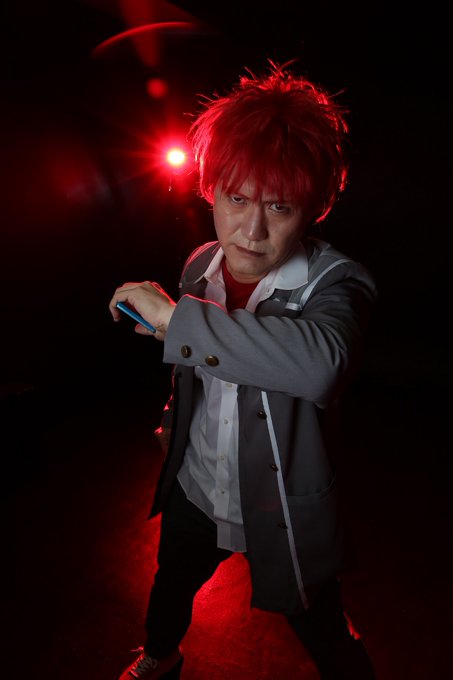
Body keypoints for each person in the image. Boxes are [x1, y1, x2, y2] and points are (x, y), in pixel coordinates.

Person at [109, 60, 378, 680]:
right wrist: (172, 419)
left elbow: (322, 364)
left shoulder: (337, 282)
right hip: (198, 487)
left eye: (279, 207)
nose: (252, 231)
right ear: (210, 189)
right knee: (169, 587)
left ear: (314, 207)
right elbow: (195, 368)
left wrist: (175, 320)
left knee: (327, 634)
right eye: (236, 198)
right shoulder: (198, 263)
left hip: (282, 508)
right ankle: (160, 658)